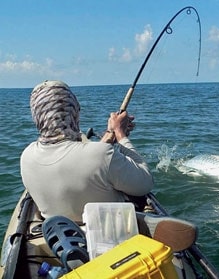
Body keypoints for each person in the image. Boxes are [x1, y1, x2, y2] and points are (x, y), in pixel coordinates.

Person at [20, 80, 197, 252]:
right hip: (111, 238)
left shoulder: (26, 157)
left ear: (37, 115)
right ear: (74, 112)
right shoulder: (100, 155)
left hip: (60, 240)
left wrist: (108, 138)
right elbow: (145, 182)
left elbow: (78, 160)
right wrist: (120, 135)